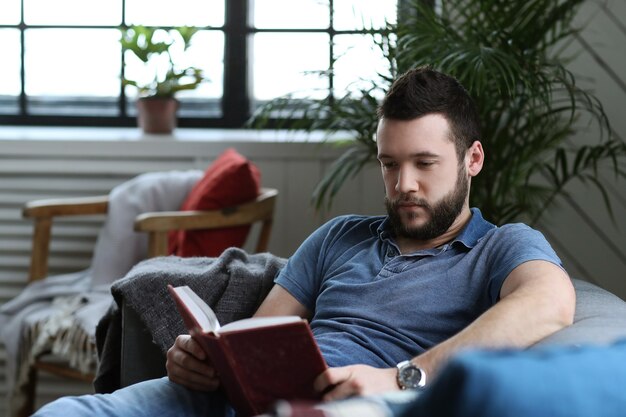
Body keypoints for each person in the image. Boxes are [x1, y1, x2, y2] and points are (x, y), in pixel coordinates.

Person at [33, 67, 575, 417]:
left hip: (363, 404)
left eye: (424, 164)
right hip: (235, 399)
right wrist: (201, 358)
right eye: (390, 164)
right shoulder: (341, 235)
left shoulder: (500, 246)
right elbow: (261, 330)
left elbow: (550, 303)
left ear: (472, 160)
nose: (403, 184)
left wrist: (400, 378)